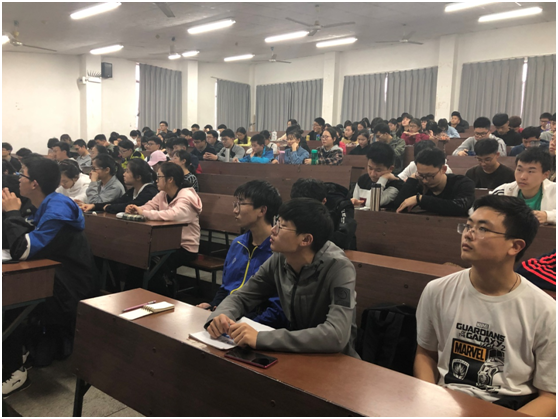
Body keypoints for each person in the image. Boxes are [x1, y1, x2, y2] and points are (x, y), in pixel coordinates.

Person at [414, 195, 555, 416]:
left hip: (508, 407)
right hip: (445, 401)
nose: (468, 234)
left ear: (515, 246)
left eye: (482, 229)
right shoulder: (437, 290)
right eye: (468, 225)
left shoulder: (546, 310)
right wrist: (429, 402)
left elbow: (550, 396)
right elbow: (426, 354)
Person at [205, 198, 359, 358]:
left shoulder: (339, 268)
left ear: (306, 239)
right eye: (276, 222)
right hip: (294, 352)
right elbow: (243, 296)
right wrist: (220, 316)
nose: (273, 230)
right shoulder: (279, 258)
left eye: (282, 226)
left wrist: (260, 338)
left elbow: (336, 335)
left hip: (336, 359)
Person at [2, 154, 98, 396]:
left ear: (34, 183)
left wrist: (11, 214)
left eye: (21, 174)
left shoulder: (57, 208)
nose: (18, 179)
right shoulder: (44, 204)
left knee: (10, 298)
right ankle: (16, 353)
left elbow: (24, 249)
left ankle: (13, 369)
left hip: (69, 287)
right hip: (53, 277)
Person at [196, 180, 287, 326]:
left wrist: (243, 325)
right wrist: (213, 305)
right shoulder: (238, 244)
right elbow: (226, 288)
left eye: (241, 204)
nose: (235, 210)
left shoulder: (279, 252)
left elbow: (277, 307)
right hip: (230, 316)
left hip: (255, 325)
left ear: (262, 210)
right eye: (235, 204)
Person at [124, 162, 202, 290]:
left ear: (170, 179)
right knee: (138, 260)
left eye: (159, 176)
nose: (156, 180)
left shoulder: (187, 196)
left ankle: (160, 294)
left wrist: (143, 213)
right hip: (165, 244)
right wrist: (136, 209)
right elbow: (150, 206)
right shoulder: (163, 194)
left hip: (184, 247)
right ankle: (131, 296)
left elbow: (173, 215)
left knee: (152, 265)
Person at [394, 147, 475, 216]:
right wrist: (412, 179)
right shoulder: (419, 182)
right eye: (421, 175)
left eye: (430, 176)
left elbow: (458, 207)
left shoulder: (462, 183)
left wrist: (421, 199)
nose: (425, 181)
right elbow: (398, 206)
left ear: (443, 169)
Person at [492, 147, 555, 225]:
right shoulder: (503, 192)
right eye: (519, 170)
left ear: (545, 175)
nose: (522, 177)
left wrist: (547, 216)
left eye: (530, 171)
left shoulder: (555, 191)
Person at [79, 159, 158, 214]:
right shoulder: (133, 190)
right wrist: (94, 206)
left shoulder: (149, 192)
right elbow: (117, 202)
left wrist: (108, 207)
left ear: (138, 177)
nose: (124, 174)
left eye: (127, 172)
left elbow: (129, 205)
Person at [351, 142, 404, 210]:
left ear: (390, 169)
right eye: (370, 168)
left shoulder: (396, 185)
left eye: (378, 170)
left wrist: (383, 178)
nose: (372, 174)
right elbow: (355, 207)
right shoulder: (363, 180)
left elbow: (372, 203)